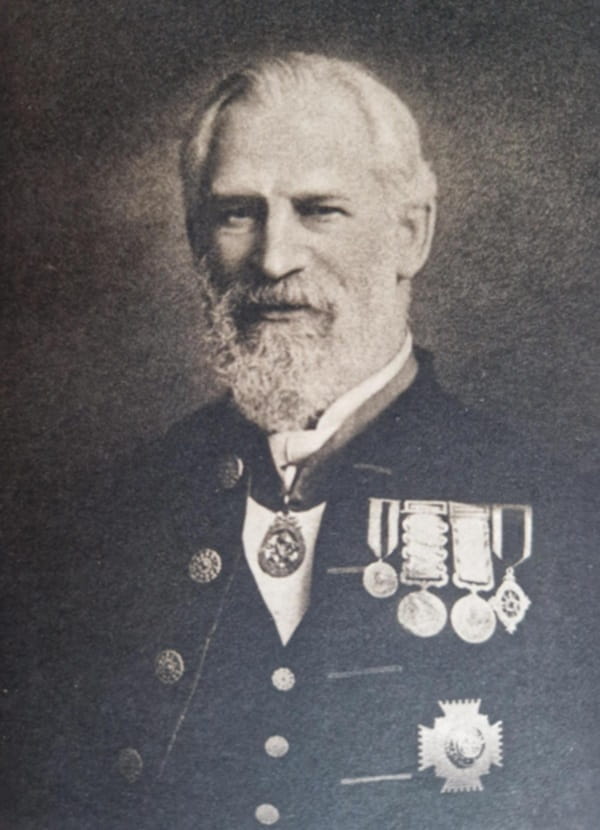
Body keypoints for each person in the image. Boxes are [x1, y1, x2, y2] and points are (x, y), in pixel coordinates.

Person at [5, 52, 598, 829]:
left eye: (319, 210)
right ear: (195, 238)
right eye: (237, 213)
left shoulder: (564, 519)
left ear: (411, 234)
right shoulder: (102, 522)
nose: (274, 257)